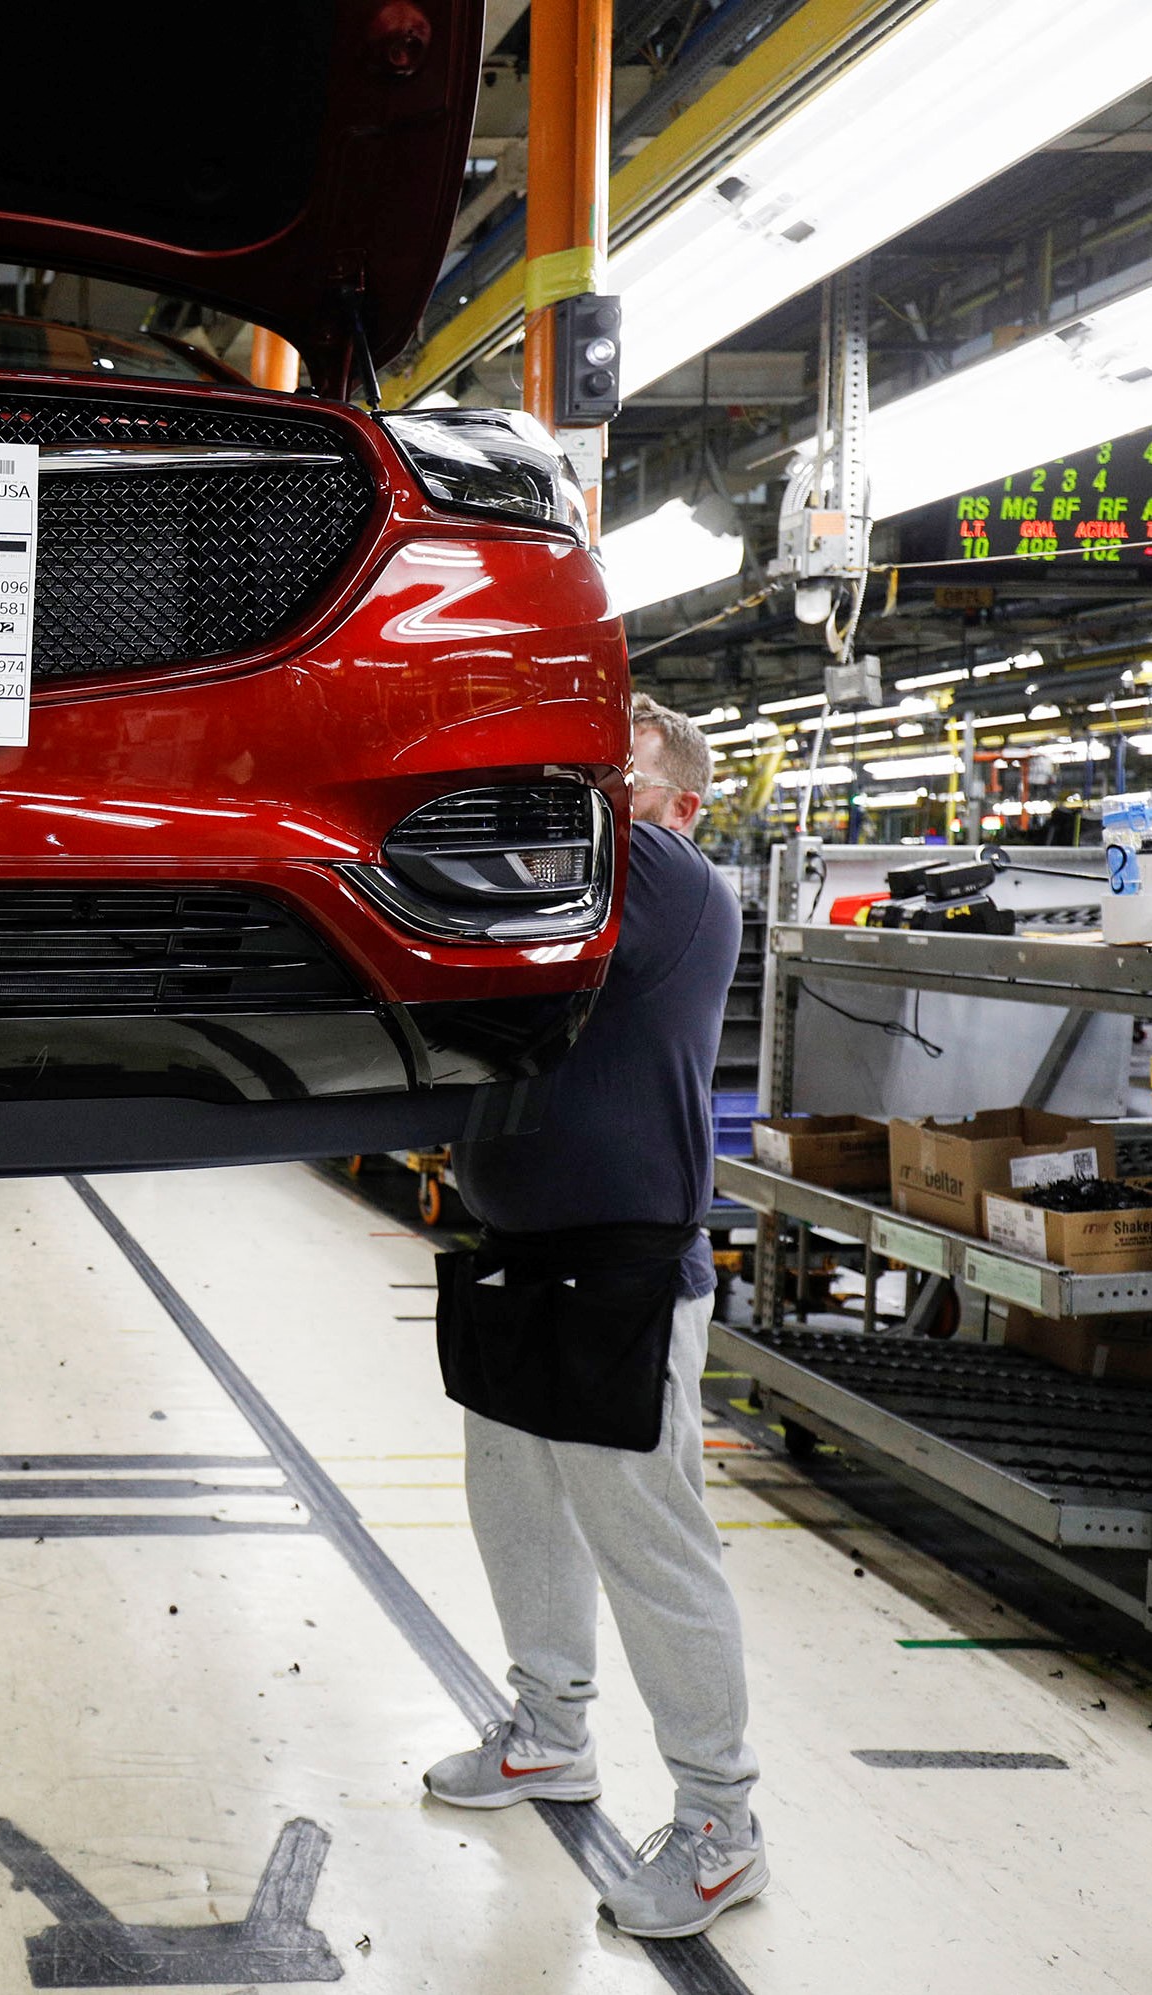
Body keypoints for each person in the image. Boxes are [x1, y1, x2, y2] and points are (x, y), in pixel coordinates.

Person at [423, 693, 765, 1940]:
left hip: (624, 1271)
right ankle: (551, 1735)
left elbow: (565, 801)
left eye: (615, 771)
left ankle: (724, 1822)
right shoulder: (552, 905)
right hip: (517, 1255)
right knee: (517, 1510)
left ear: (675, 807)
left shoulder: (676, 886)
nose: (584, 782)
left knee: (651, 1547)